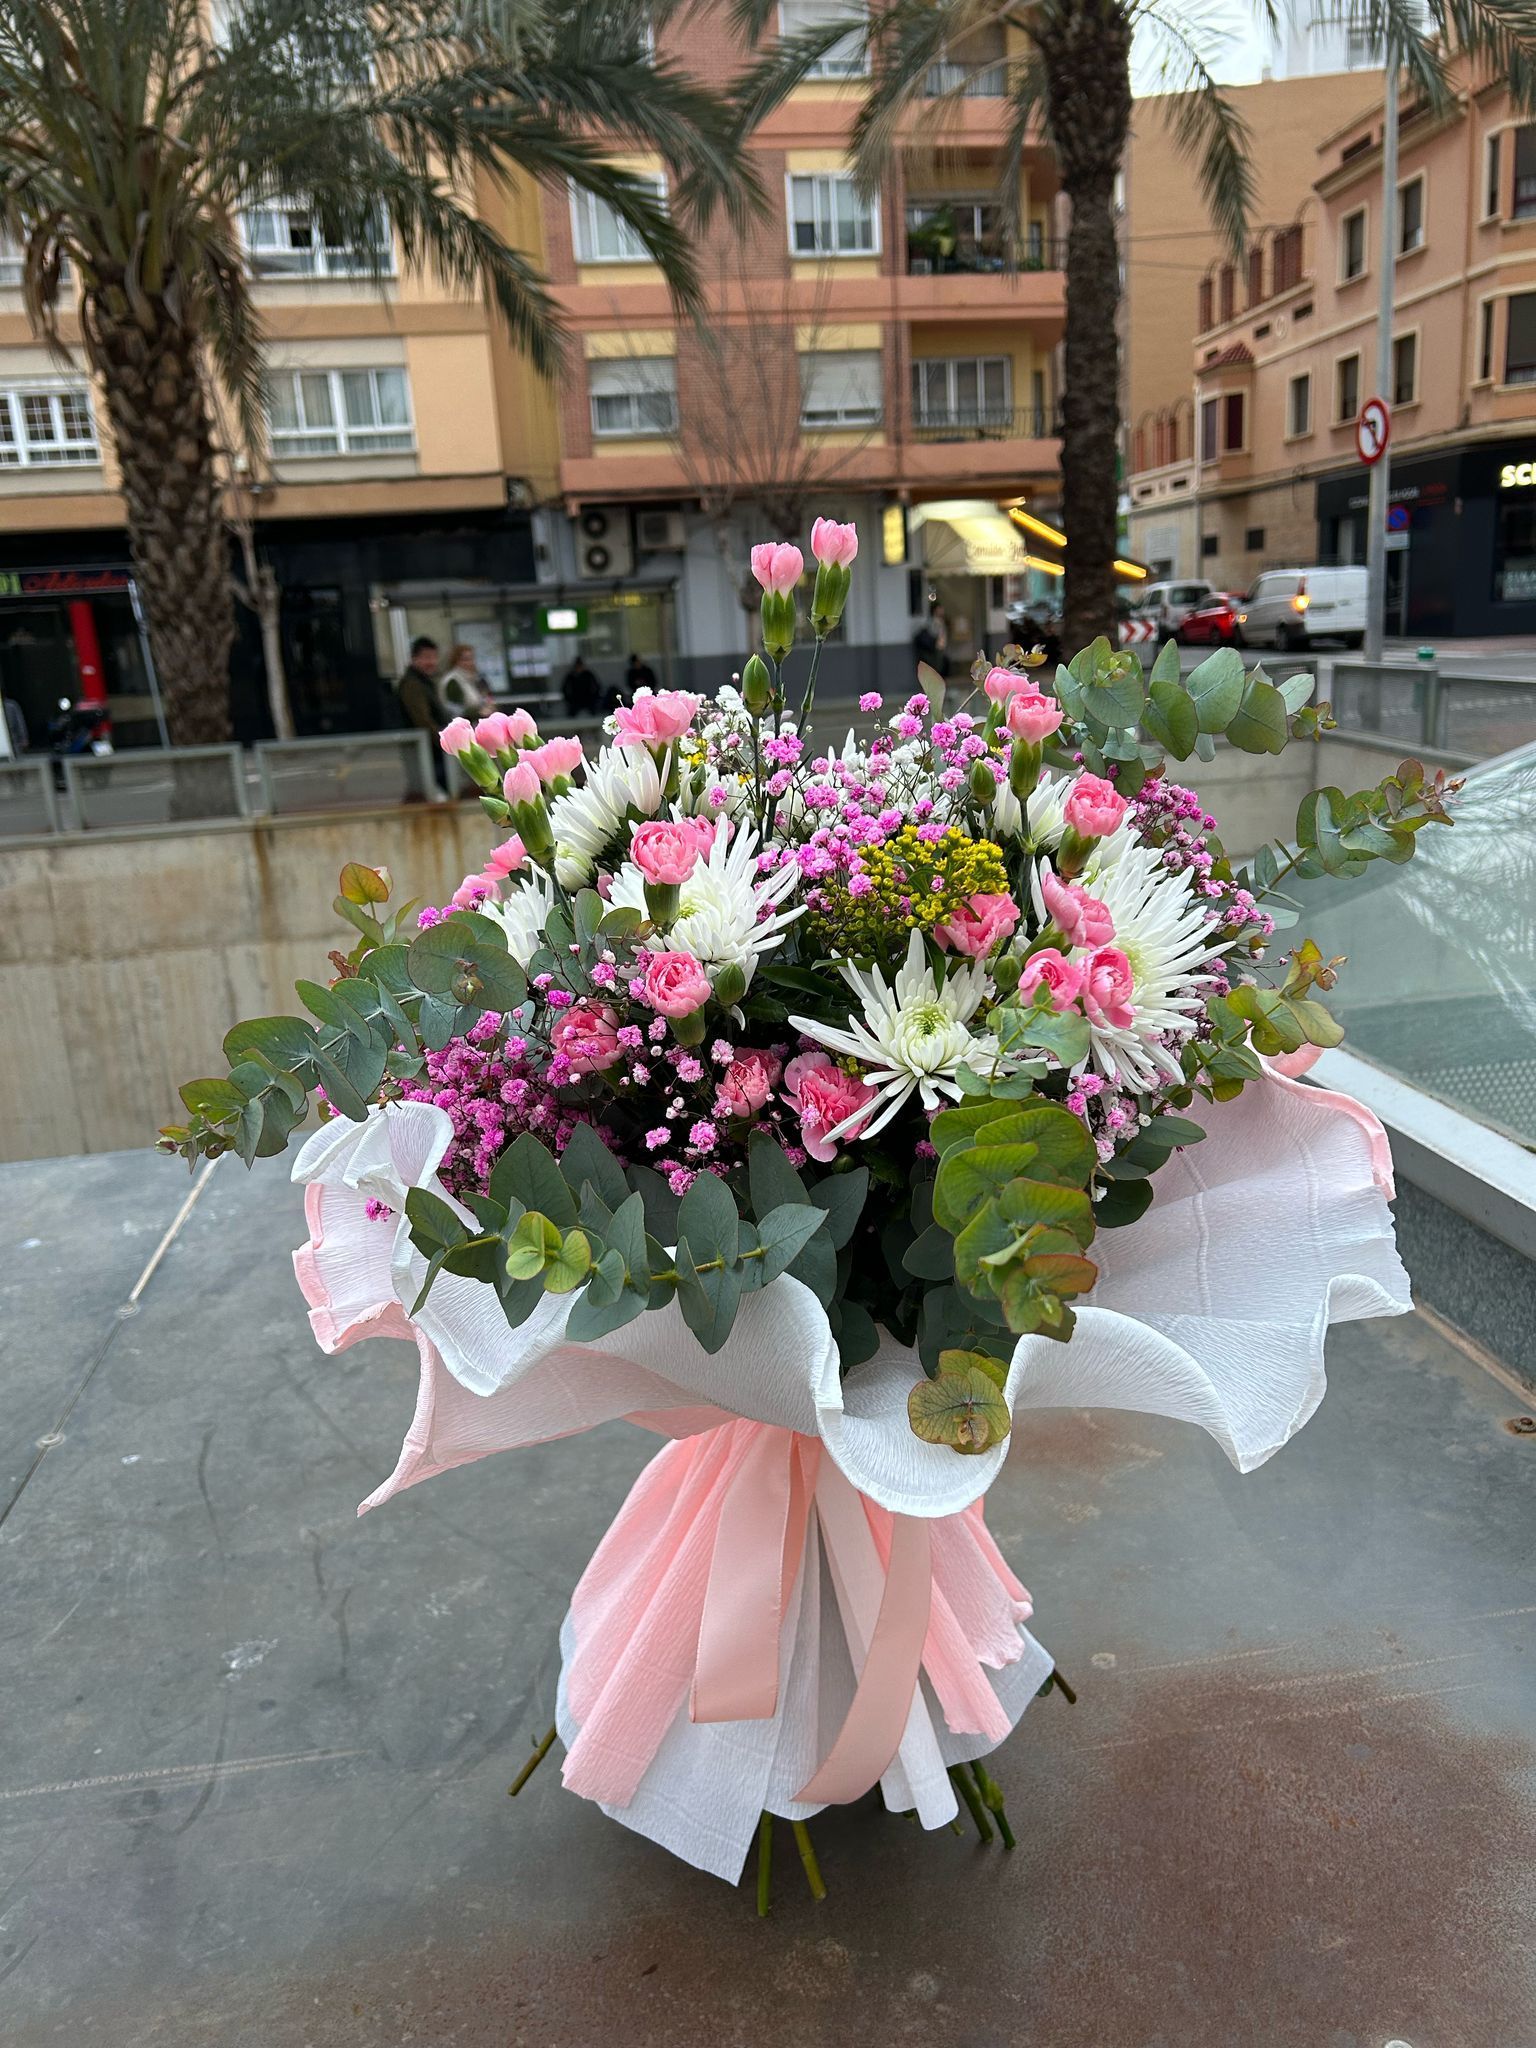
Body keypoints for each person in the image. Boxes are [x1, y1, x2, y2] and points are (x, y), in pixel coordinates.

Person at [395, 636, 447, 792]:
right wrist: (444, 742)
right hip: (427, 749)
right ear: (414, 659)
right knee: (431, 789)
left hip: (431, 748)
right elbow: (422, 719)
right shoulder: (413, 684)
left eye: (434, 657)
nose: (431, 662)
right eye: (426, 658)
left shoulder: (424, 682)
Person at [436, 642, 493, 722]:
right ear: (455, 661)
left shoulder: (474, 678)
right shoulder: (452, 681)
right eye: (465, 659)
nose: (470, 663)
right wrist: (479, 711)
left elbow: (485, 697)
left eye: (471, 658)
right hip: (463, 724)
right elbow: (454, 709)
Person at [561, 653, 602, 719]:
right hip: (575, 700)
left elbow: (597, 686)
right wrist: (569, 699)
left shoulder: (588, 674)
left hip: (588, 699)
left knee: (594, 713)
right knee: (571, 715)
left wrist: (595, 697)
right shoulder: (571, 676)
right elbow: (564, 688)